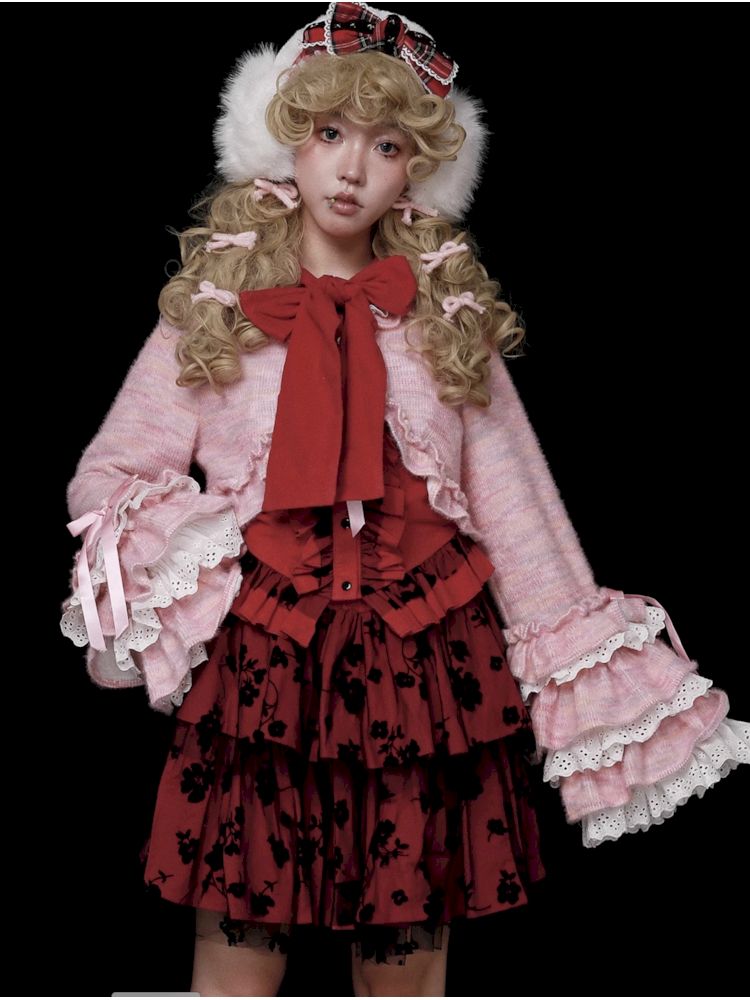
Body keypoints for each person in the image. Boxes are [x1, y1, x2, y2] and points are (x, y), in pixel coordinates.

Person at [59, 3, 750, 996]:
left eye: (385, 146)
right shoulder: (217, 314)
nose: (352, 169)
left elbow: (518, 506)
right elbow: (113, 472)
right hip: (268, 667)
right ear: (284, 140)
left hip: (427, 670)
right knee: (238, 958)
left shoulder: (445, 321)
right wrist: (207, 563)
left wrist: (589, 674)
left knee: (408, 968)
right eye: (329, 133)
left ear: (416, 167)